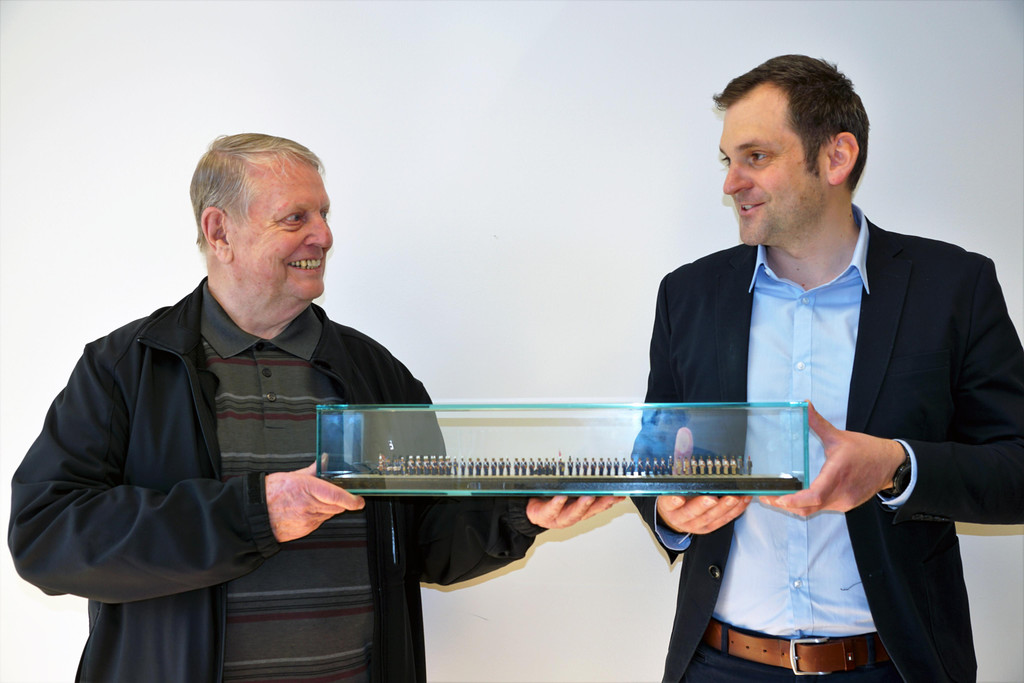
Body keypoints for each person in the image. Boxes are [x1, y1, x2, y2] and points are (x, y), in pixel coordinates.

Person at [8, 133, 620, 682]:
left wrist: (519, 513)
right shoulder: (127, 368)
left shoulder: (374, 373)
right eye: (295, 217)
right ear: (219, 231)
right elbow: (46, 537)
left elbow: (425, 540)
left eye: (324, 214)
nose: (323, 236)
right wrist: (255, 514)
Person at [633, 55, 1024, 683]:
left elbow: (1017, 466)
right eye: (728, 160)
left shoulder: (954, 288)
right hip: (718, 663)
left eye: (756, 156)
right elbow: (653, 453)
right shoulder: (689, 295)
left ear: (837, 157)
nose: (731, 183)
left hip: (891, 665)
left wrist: (896, 465)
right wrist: (669, 509)